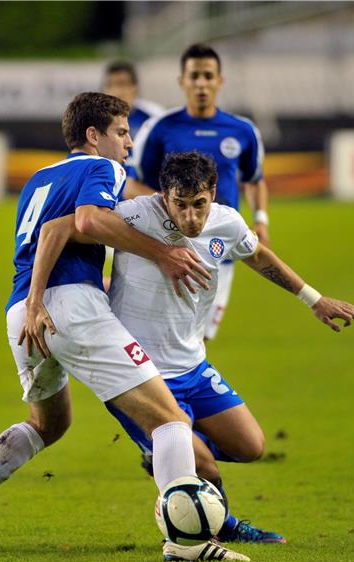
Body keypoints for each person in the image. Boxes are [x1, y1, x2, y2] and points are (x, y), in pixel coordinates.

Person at [0, 93, 248, 562]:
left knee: (50, 424)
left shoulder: (37, 178)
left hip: (23, 314)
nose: (130, 143)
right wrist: (162, 253)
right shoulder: (104, 169)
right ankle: (186, 542)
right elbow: (87, 220)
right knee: (170, 420)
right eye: (121, 132)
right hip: (71, 308)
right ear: (93, 136)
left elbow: (49, 232)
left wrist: (33, 302)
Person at [20, 151, 354, 550]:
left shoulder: (226, 222)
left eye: (198, 205)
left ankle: (165, 454)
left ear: (212, 195)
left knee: (251, 446)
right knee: (204, 467)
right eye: (179, 205)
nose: (189, 218)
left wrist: (314, 299)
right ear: (164, 197)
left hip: (193, 365)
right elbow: (57, 228)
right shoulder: (134, 215)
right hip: (140, 374)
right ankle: (220, 523)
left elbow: (257, 255)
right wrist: (36, 300)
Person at [126, 43, 271, 341]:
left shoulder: (242, 130)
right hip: (170, 247)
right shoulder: (159, 129)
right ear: (182, 81)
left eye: (208, 76)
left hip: (221, 250)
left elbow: (255, 179)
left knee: (199, 338)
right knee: (163, 337)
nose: (201, 83)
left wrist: (260, 218)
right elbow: (133, 184)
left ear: (220, 80)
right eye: (195, 76)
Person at [102, 60, 164, 141]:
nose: (115, 92)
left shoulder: (154, 117)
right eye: (110, 85)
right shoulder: (93, 122)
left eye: (121, 84)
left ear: (135, 88)